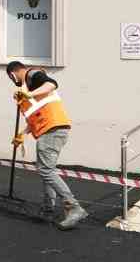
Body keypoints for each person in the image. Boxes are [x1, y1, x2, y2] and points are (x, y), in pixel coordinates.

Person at [6, 61, 88, 230]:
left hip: (52, 130)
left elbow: (51, 84)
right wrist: (23, 134)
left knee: (45, 170)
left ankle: (73, 207)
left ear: (13, 74)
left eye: (11, 78)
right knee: (46, 169)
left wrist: (29, 95)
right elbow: (36, 115)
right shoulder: (30, 87)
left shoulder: (32, 75)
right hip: (51, 129)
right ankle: (48, 208)